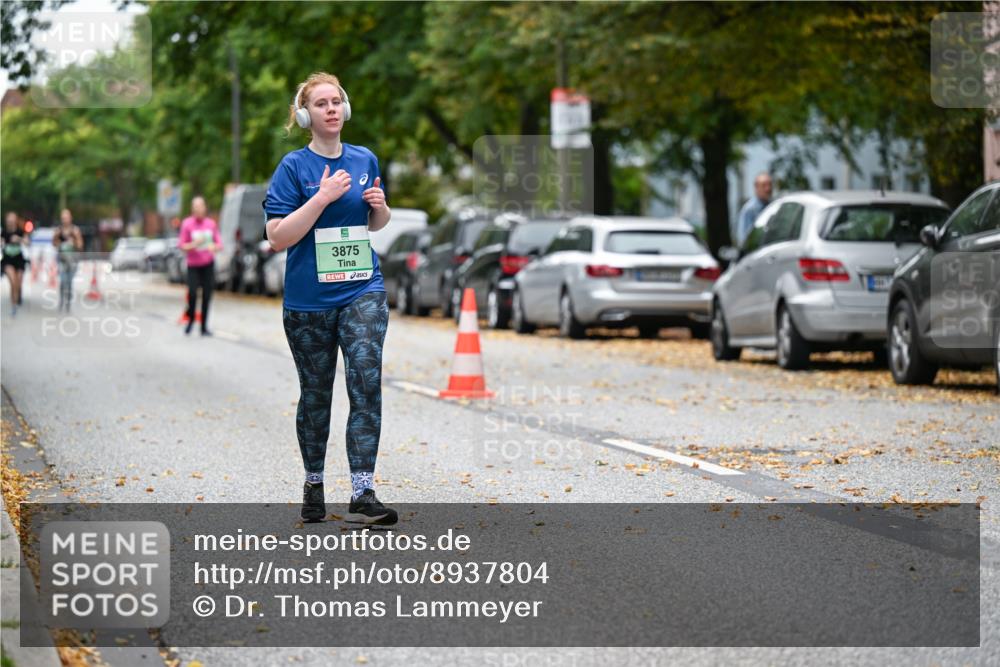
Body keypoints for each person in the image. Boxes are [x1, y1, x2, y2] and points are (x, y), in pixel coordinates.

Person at [263, 71, 394, 525]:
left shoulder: (364, 159)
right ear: (305, 115)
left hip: (363, 289)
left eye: (337, 101)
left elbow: (373, 225)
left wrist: (380, 207)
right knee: (316, 395)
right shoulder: (293, 168)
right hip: (309, 302)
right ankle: (314, 482)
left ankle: (363, 491)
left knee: (365, 381)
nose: (331, 109)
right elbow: (278, 236)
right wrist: (320, 198)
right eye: (321, 103)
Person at [178, 196, 221, 336]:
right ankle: (190, 319)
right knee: (192, 294)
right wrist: (194, 244)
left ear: (204, 208)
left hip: (208, 264)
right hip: (193, 265)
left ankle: (203, 326)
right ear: (192, 209)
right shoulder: (187, 224)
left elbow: (219, 244)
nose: (198, 209)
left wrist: (214, 247)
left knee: (207, 295)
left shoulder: (211, 224)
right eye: (196, 207)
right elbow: (182, 246)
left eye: (201, 206)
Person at [52, 208, 83, 313]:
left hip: (72, 260)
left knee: (69, 282)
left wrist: (73, 242)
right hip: (61, 260)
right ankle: (61, 300)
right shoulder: (58, 231)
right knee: (62, 280)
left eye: (66, 218)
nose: (64, 220)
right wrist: (58, 242)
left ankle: (68, 303)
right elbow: (54, 244)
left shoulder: (75, 230)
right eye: (63, 218)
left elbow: (80, 245)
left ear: (70, 218)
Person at [736, 172, 773, 247]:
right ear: (756, 188)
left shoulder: (773, 206)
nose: (768, 188)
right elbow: (743, 239)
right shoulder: (749, 209)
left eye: (770, 185)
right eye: (764, 185)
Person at [2, 212, 27, 316]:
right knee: (13, 281)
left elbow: (28, 242)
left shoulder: (20, 231)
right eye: (9, 219)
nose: (10, 221)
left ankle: (16, 298)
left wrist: (19, 239)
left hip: (18, 259)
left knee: (18, 283)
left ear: (16, 220)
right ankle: (13, 305)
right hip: (8, 259)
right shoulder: (3, 232)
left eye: (12, 219)